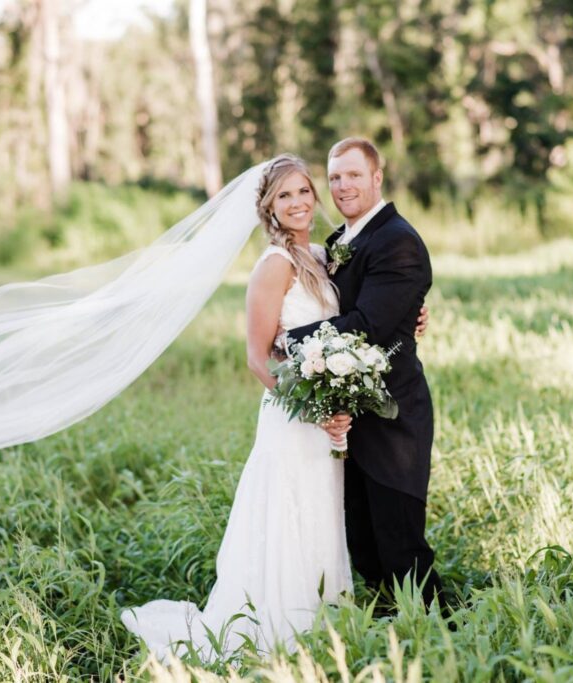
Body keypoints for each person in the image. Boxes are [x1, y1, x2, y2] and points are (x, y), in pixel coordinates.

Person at [120, 154, 355, 660]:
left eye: (303, 191)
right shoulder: (275, 266)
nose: (297, 202)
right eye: (284, 195)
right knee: (287, 513)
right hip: (291, 418)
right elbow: (256, 358)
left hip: (326, 421)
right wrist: (310, 408)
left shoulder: (321, 255)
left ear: (315, 197)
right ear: (269, 207)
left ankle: (325, 622)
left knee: (321, 511)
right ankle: (278, 627)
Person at [283, 138, 446, 616]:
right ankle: (388, 630)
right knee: (364, 540)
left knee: (400, 545)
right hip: (349, 412)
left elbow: (370, 325)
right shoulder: (340, 242)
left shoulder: (397, 240)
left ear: (377, 177)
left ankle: (442, 630)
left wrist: (286, 336)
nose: (342, 185)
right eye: (334, 177)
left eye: (353, 175)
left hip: (393, 416)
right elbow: (353, 304)